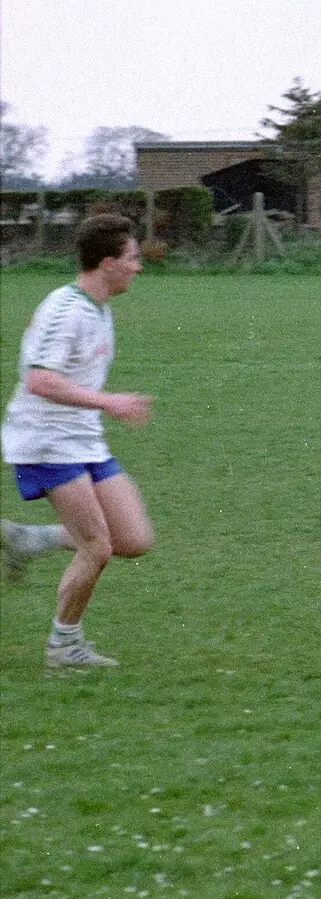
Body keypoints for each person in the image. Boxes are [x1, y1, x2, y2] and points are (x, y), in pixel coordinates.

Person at [1, 214, 155, 668]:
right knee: (97, 547)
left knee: (133, 538)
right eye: (132, 258)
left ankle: (30, 539)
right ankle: (64, 645)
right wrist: (110, 403)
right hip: (46, 442)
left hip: (83, 439)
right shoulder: (67, 312)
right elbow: (39, 381)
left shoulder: (97, 308)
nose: (138, 267)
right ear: (108, 263)